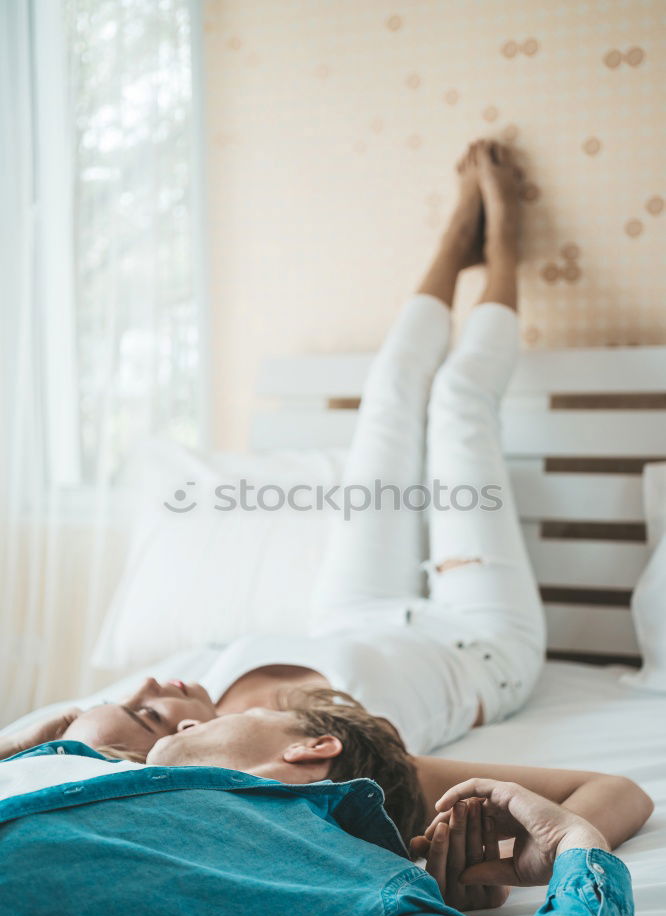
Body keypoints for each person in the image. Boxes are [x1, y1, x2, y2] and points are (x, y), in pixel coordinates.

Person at [0, 139, 654, 851]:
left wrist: (37, 731)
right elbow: (615, 791)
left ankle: (453, 238)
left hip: (347, 613)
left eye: (123, 695)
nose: (150, 684)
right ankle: (503, 244)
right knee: (460, 403)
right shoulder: (322, 753)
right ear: (180, 740)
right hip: (478, 644)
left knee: (389, 398)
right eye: (148, 713)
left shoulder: (202, 692)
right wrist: (495, 857)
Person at [0, 697, 644, 916]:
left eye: (233, 714)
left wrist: (571, 847)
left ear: (310, 747)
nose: (194, 718)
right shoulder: (72, 764)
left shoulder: (359, 894)